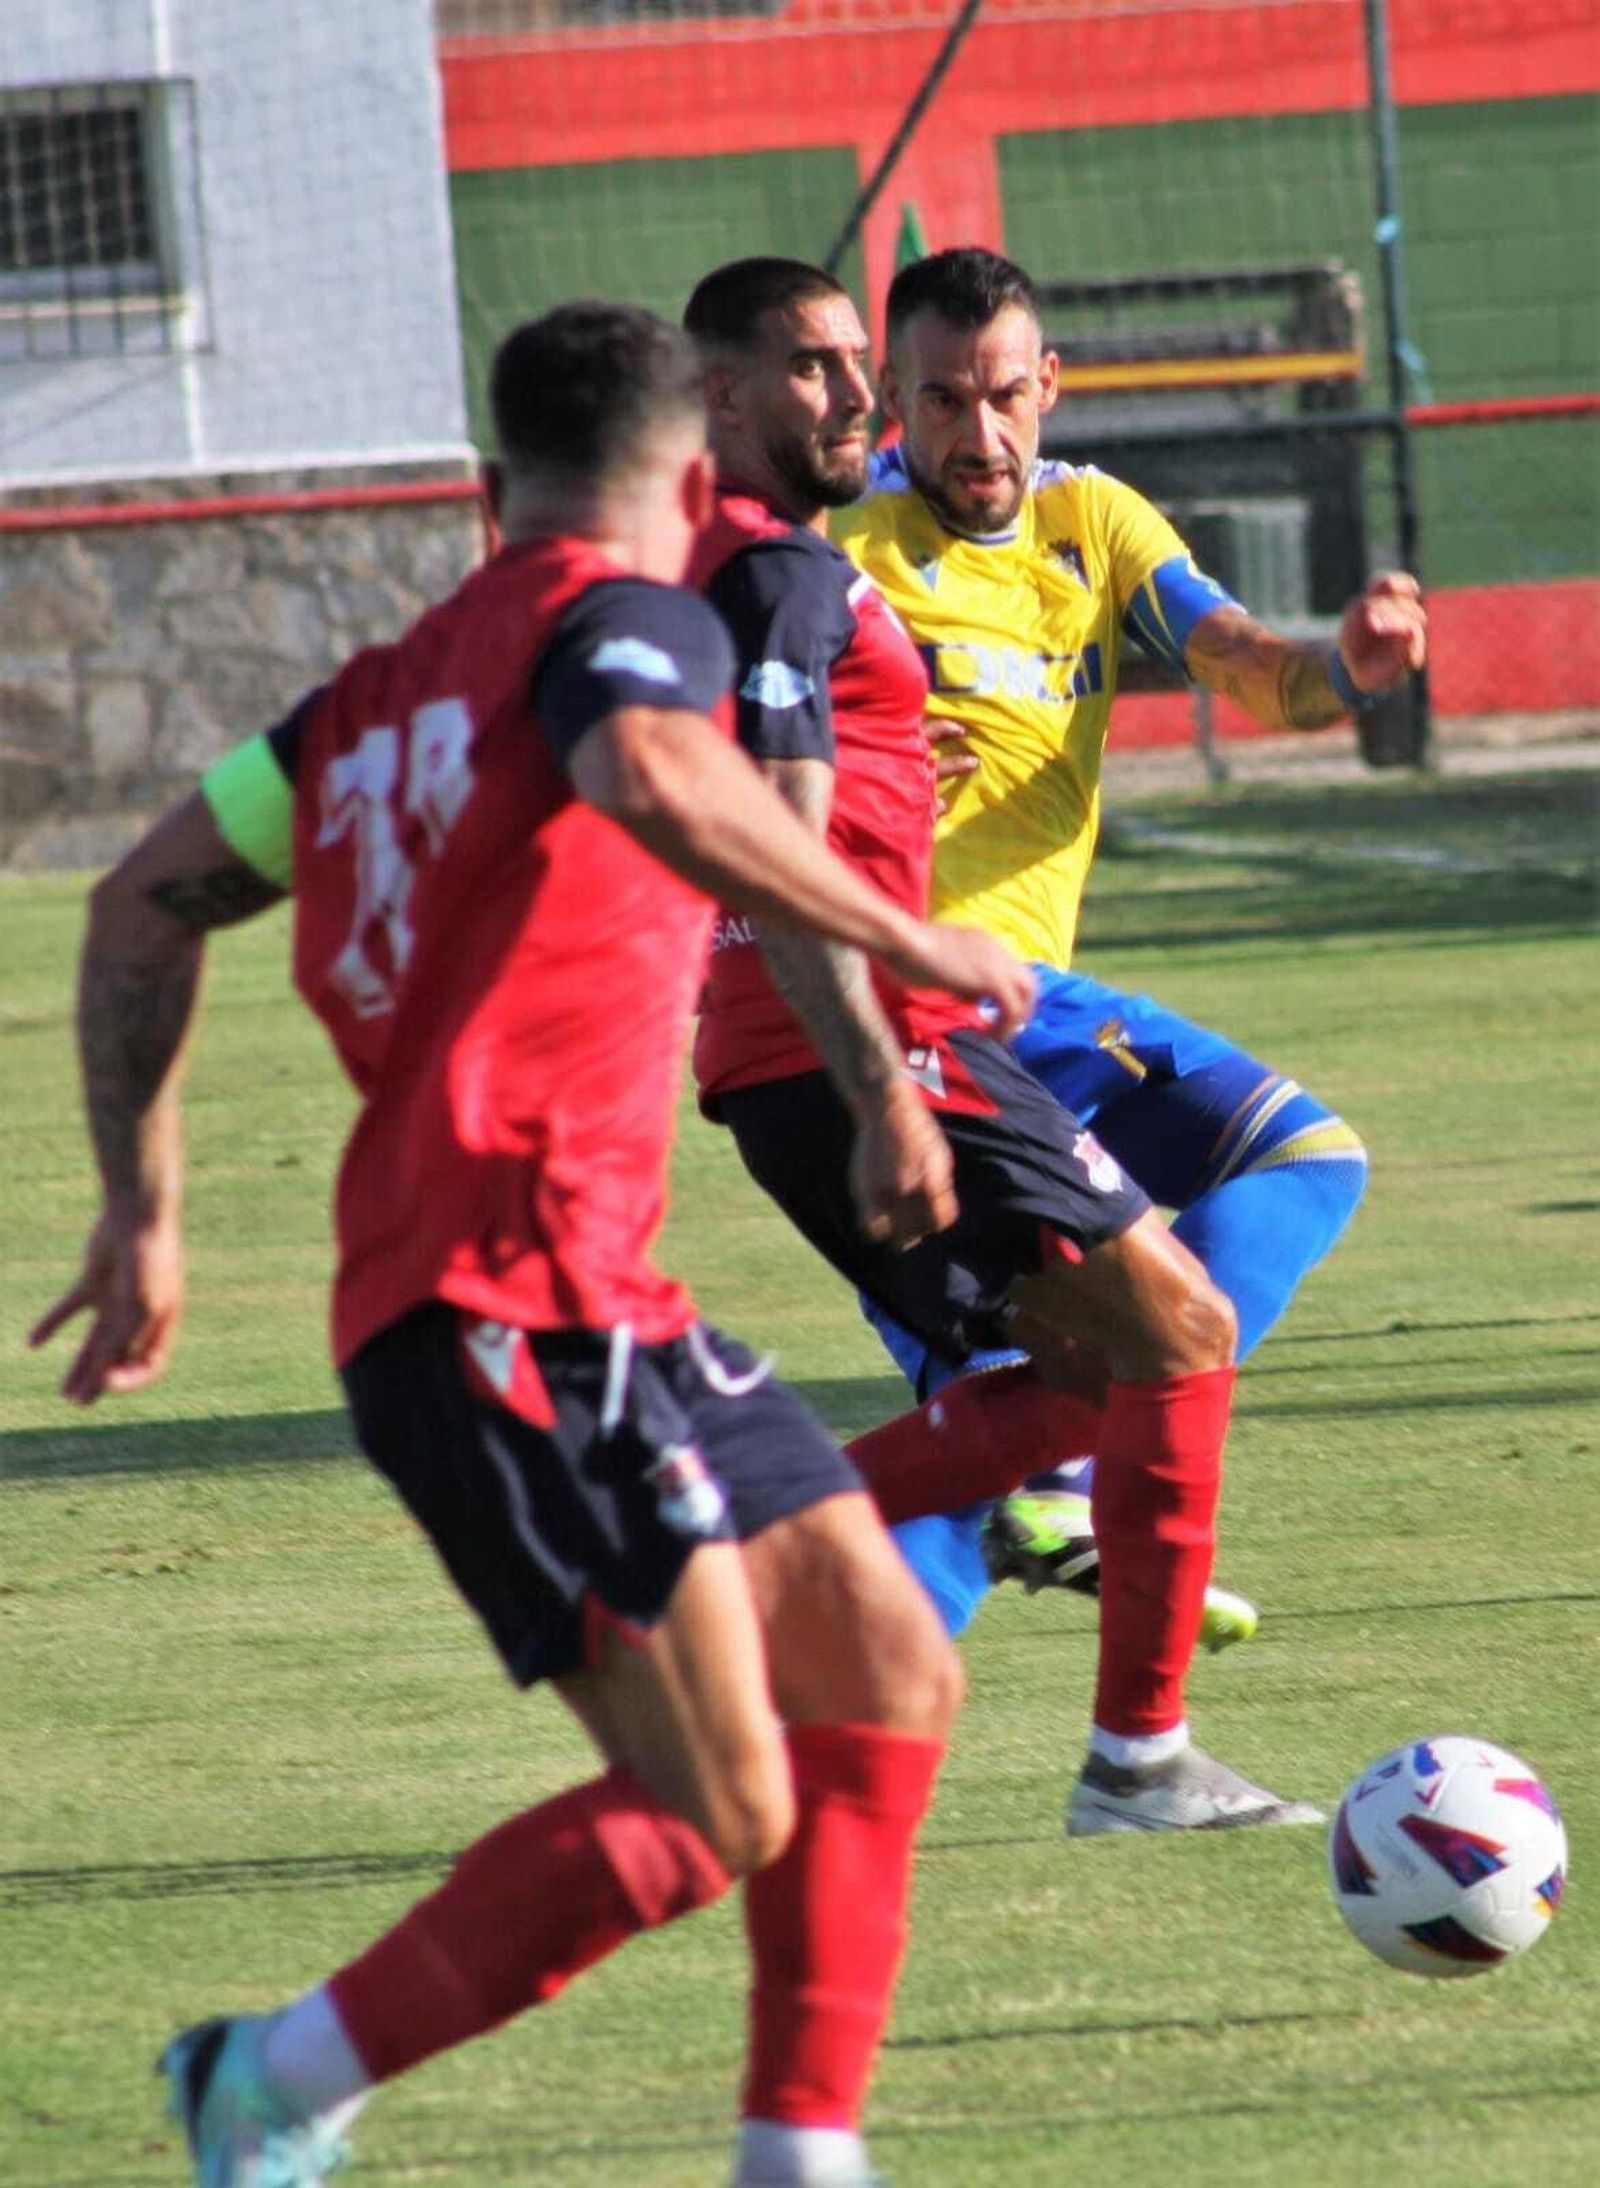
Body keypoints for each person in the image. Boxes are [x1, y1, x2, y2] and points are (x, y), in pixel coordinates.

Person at [30, 301, 1040, 2188]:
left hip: (595, 1299)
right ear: (678, 482)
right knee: (717, 1800)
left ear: (489, 489)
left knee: (892, 1658)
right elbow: (656, 772)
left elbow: (140, 903)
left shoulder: (361, 705)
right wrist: (914, 947)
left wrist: (143, 1208)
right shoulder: (627, 614)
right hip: (503, 1310)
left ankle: (800, 2152)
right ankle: (265, 2079)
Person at [680, 254, 1326, 1839]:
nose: (864, 403)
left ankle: (776, 1586)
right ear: (731, 399)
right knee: (1171, 1335)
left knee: (1084, 1380)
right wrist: (890, 1070)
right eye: (833, 373)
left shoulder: (760, 557)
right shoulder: (787, 578)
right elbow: (776, 842)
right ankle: (1124, 1755)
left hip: (864, 1037)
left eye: (856, 366)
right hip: (895, 1037)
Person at [832, 245, 1428, 1671]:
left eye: (1000, 397)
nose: (977, 435)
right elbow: (700, 748)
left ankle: (814, 1753)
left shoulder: (1093, 524)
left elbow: (1241, 662)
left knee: (988, 1428)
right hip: (874, 1021)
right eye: (939, 402)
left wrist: (1340, 668)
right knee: (1292, 1173)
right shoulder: (830, 554)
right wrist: (849, 753)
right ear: (890, 401)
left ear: (1051, 385)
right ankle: (1072, 1486)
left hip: (1025, 1020)